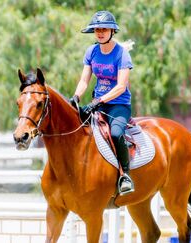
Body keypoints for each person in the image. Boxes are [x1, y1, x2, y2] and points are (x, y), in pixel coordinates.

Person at [69, 10, 134, 195]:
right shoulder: (91, 51)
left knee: (115, 133)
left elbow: (121, 86)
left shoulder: (122, 54)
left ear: (112, 31)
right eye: (97, 29)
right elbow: (84, 80)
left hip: (118, 105)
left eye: (104, 29)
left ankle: (125, 176)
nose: (100, 32)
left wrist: (99, 101)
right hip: (97, 103)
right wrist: (76, 97)